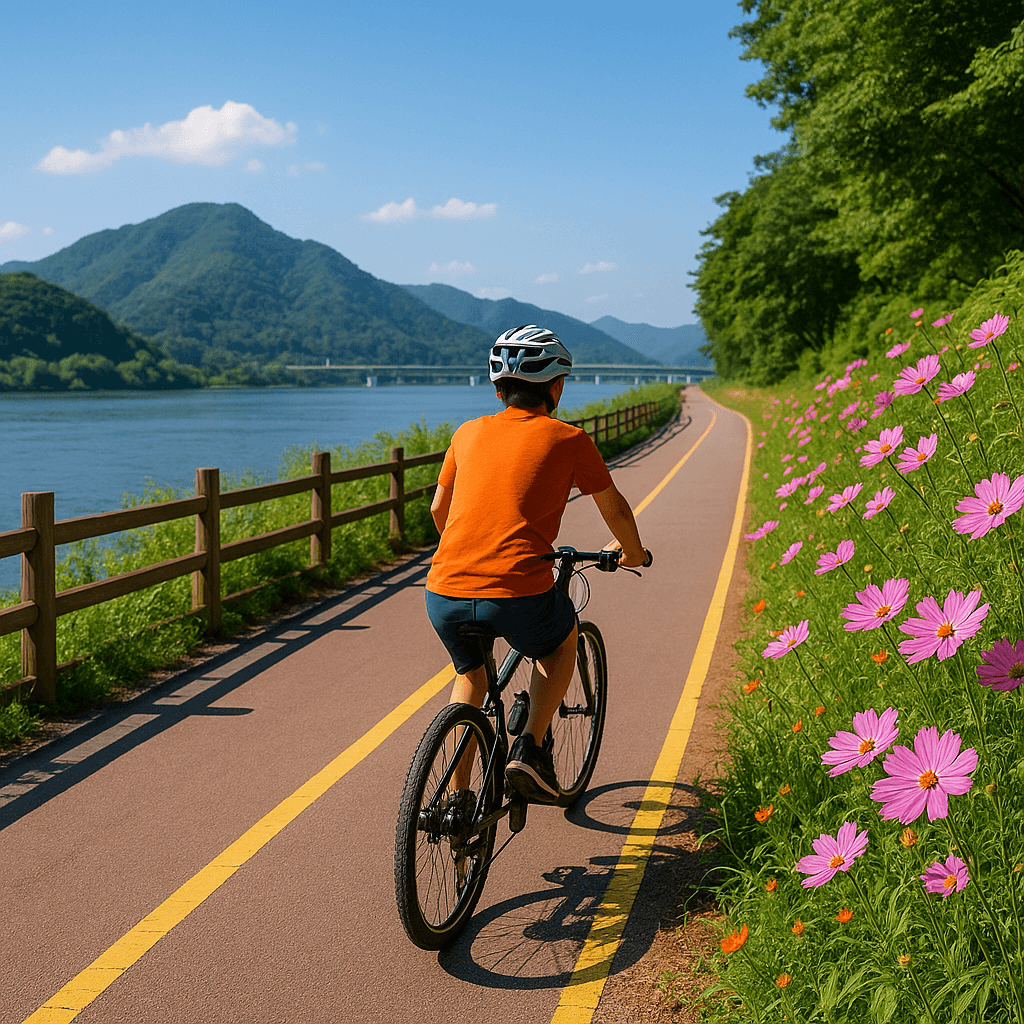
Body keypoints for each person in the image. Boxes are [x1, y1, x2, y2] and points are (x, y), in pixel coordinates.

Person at [425, 324, 648, 804]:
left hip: (443, 590)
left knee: (470, 677)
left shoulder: (466, 433)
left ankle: (459, 799)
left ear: (499, 387)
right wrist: (632, 553)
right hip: (518, 594)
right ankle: (531, 748)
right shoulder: (569, 440)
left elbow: (438, 512)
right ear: (556, 386)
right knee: (559, 639)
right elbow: (617, 511)